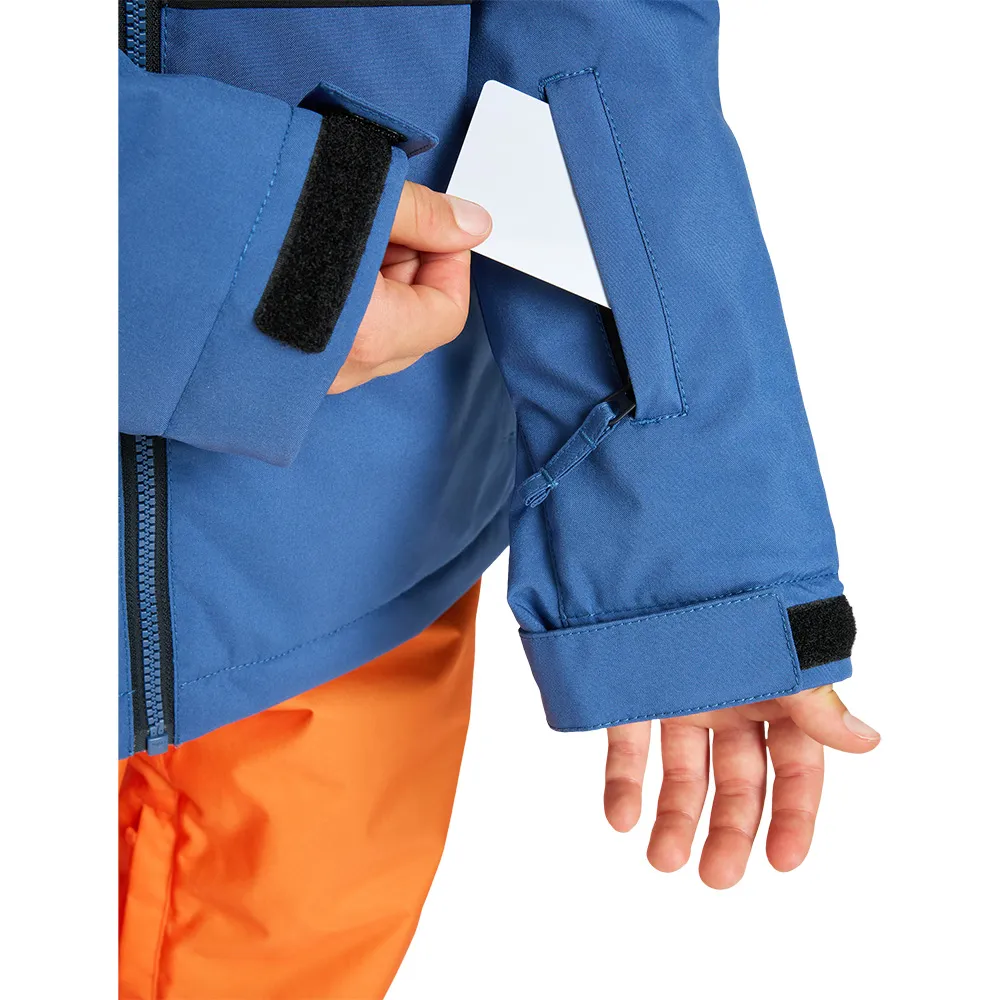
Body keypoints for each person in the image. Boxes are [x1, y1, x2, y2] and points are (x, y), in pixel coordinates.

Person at [118, 2, 879, 997]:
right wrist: (204, 242)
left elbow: (600, 27)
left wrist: (690, 547)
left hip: (331, 579)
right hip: (336, 495)